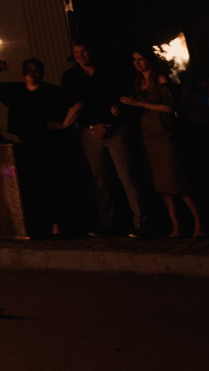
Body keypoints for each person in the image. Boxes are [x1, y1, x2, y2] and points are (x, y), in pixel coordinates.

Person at [62, 40, 152, 237]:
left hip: (115, 128)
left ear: (91, 51)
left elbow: (123, 99)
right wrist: (93, 125)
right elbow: (74, 106)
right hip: (90, 131)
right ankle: (107, 223)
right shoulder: (70, 77)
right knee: (99, 178)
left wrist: (109, 120)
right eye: (76, 52)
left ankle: (142, 222)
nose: (80, 56)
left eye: (84, 51)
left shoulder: (110, 71)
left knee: (127, 175)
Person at [119, 50, 205, 238]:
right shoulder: (138, 82)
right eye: (134, 60)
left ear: (149, 60)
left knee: (177, 180)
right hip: (147, 134)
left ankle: (199, 222)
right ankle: (176, 225)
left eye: (141, 59)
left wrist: (140, 104)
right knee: (160, 183)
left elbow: (169, 107)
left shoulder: (160, 79)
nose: (137, 63)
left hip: (164, 134)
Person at [1, 59, 75, 239]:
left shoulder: (51, 91)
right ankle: (40, 224)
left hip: (48, 144)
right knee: (34, 184)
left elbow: (76, 104)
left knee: (52, 183)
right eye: (29, 71)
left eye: (36, 71)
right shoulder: (18, 91)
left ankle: (56, 224)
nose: (32, 75)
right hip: (28, 144)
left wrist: (64, 124)